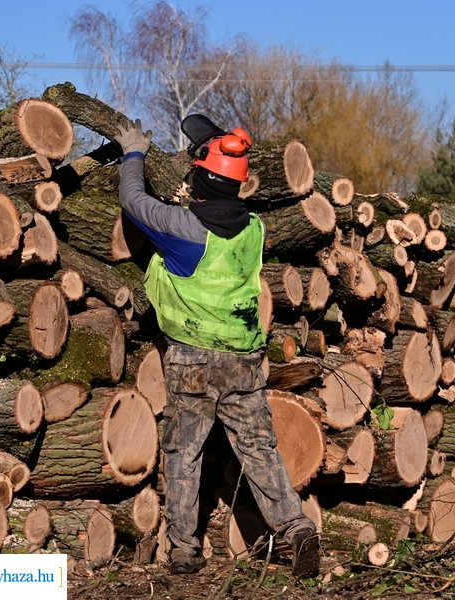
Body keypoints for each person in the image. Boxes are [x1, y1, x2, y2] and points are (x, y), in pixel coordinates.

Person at [114, 116, 320, 577]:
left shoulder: (182, 228)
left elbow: (132, 200)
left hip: (192, 357)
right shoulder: (255, 231)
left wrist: (133, 151)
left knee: (184, 451)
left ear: (201, 179)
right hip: (244, 357)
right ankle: (297, 527)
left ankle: (184, 549)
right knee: (258, 449)